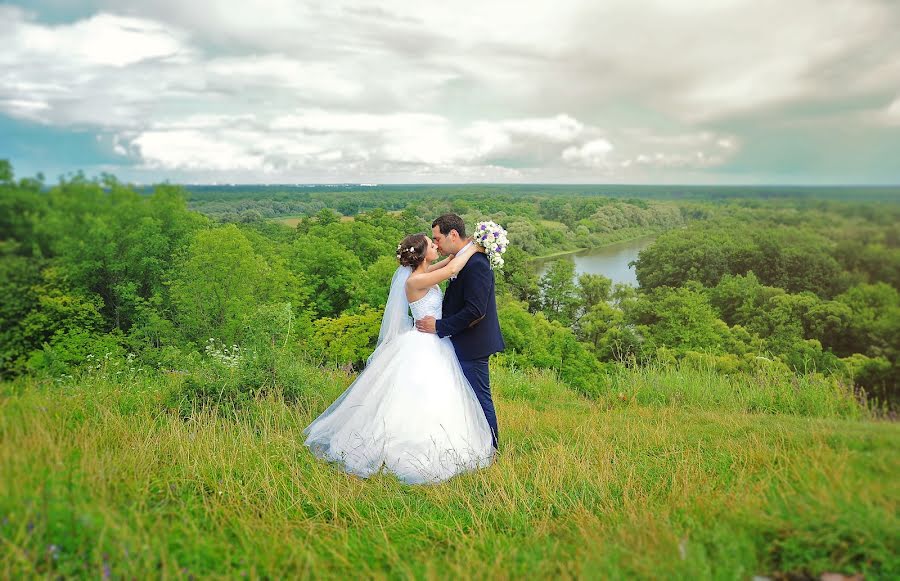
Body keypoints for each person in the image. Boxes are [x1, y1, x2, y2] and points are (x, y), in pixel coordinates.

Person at [303, 233, 494, 484]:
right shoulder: (415, 281)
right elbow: (454, 268)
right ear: (422, 253)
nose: (436, 245)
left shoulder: (423, 273)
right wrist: (475, 246)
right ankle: (403, 448)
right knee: (418, 395)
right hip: (425, 344)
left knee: (437, 395)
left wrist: (469, 247)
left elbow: (447, 264)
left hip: (436, 341)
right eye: (431, 243)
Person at [416, 213, 505, 450]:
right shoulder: (462, 258)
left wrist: (439, 326)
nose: (436, 244)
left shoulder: (476, 264)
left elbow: (475, 311)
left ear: (453, 234)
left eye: (438, 238)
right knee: (463, 400)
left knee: (478, 398)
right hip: (458, 342)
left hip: (473, 345)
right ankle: (471, 445)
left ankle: (493, 450)